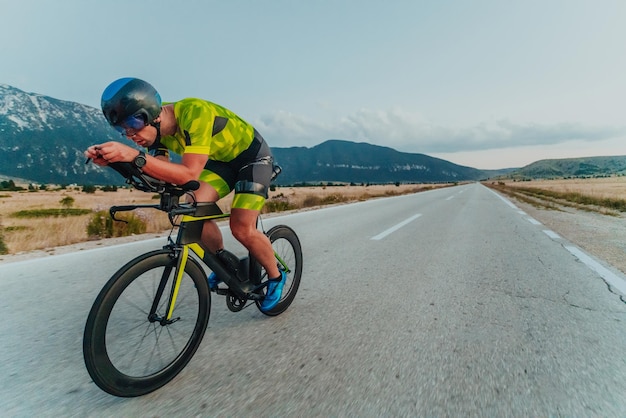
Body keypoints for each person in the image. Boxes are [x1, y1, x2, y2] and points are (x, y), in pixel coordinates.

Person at [85, 77, 286, 311]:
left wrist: (131, 155)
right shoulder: (155, 133)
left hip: (252, 158)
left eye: (132, 123)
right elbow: (159, 172)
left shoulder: (194, 112)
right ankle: (223, 262)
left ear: (153, 114)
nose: (129, 134)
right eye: (121, 129)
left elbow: (188, 174)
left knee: (241, 227)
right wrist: (115, 162)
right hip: (222, 163)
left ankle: (275, 276)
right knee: (191, 208)